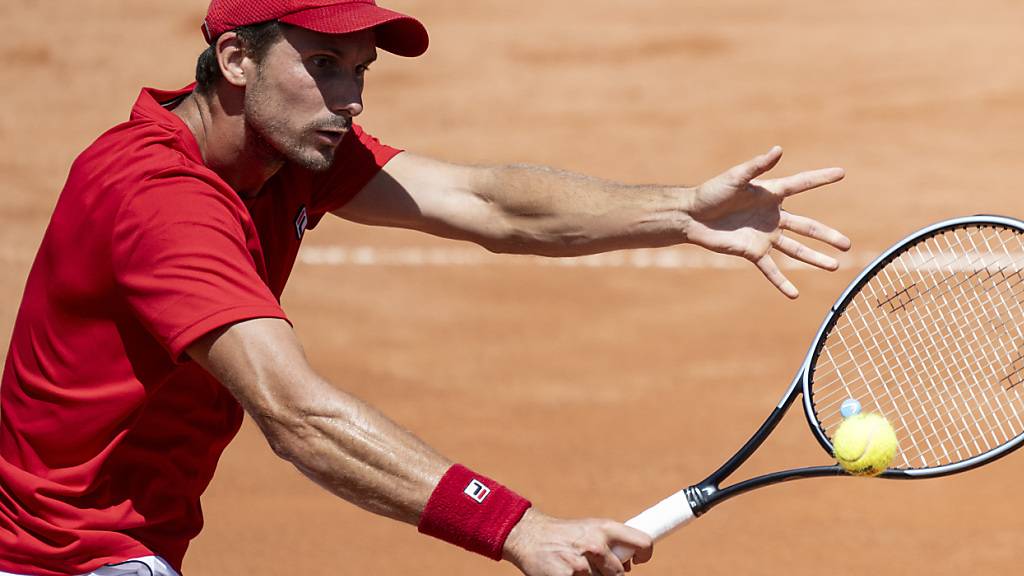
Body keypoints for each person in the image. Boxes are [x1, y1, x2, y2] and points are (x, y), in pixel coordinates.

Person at [0, 1, 852, 575]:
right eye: (325, 66)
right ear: (233, 58)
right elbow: (299, 418)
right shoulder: (163, 205)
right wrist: (517, 527)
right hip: (62, 559)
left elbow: (484, 202)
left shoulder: (288, 155)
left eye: (361, 70)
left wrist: (678, 210)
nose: (351, 100)